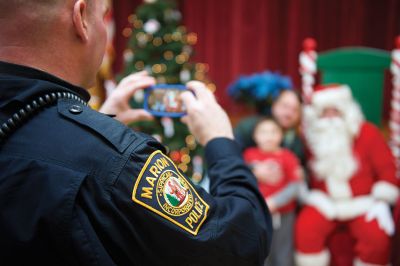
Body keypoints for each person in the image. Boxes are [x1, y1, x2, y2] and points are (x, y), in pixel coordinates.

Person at [0, 1, 272, 265]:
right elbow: (239, 246)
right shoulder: (117, 160)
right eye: (103, 15)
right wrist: (220, 141)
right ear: (81, 18)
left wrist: (98, 124)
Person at [295, 84, 399, 266]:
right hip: (325, 202)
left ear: (347, 111)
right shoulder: (313, 138)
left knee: (376, 237)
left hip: (363, 202)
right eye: (324, 112)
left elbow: (387, 169)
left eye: (335, 111)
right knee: (305, 229)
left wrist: (382, 200)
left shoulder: (368, 132)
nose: (330, 117)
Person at [244, 118, 301, 266]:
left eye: (273, 132)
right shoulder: (249, 155)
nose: (268, 136)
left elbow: (295, 186)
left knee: (283, 250)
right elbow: (243, 177)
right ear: (255, 136)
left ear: (281, 135)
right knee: (262, 250)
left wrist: (275, 202)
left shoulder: (288, 156)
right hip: (257, 213)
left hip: (284, 214)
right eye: (263, 132)